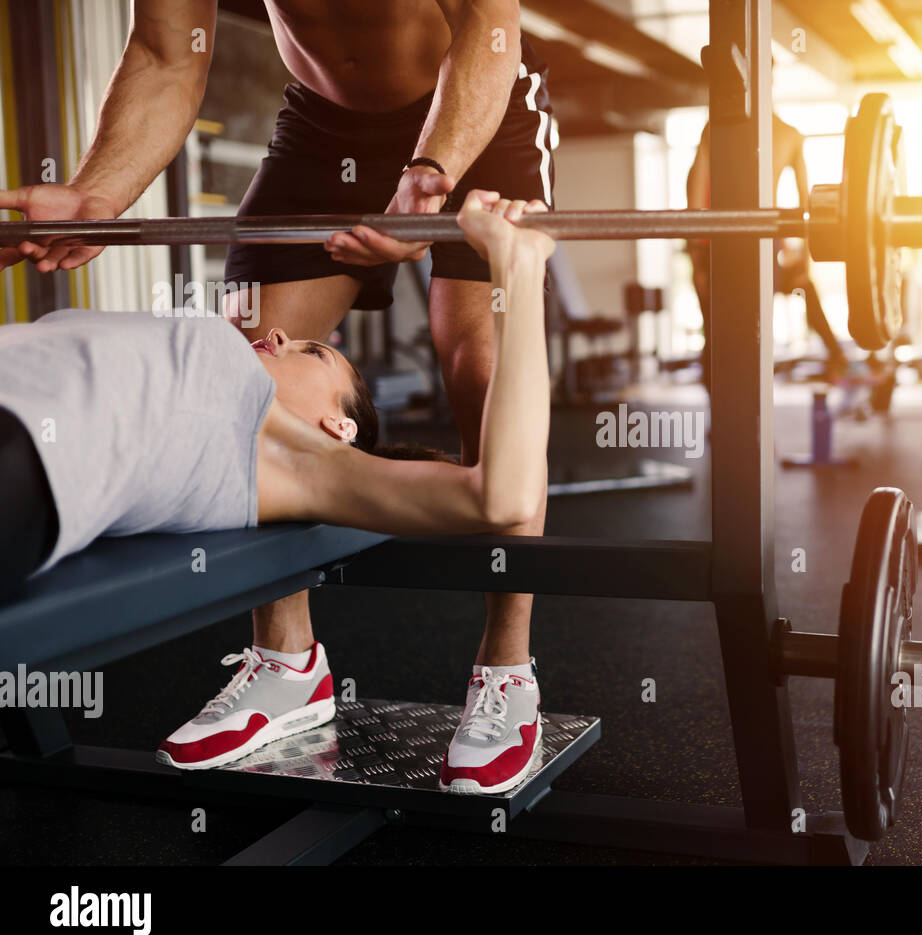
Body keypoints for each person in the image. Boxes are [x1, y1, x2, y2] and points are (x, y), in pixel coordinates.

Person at [0, 0, 554, 790]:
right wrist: (95, 193)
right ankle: (288, 663)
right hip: (325, 126)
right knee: (244, 364)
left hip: (477, 105)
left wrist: (429, 175)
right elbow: (166, 54)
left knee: (480, 371)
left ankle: (507, 670)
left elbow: (487, 24)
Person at [685, 113, 848, 387]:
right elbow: (806, 205)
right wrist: (802, 257)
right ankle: (837, 356)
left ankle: (836, 356)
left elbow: (695, 191)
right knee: (759, 321)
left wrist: (696, 256)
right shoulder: (789, 133)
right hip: (757, 236)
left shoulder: (717, 128)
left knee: (719, 332)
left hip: (725, 236)